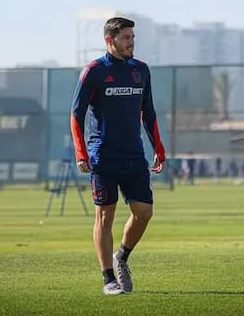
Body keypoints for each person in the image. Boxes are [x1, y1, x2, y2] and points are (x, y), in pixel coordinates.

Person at [70, 16, 166, 296]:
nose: (131, 43)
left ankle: (121, 257)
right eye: (126, 38)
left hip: (134, 155)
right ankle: (108, 279)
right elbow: (76, 115)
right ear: (109, 40)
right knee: (105, 216)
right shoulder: (94, 72)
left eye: (132, 37)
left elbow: (149, 113)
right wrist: (81, 152)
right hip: (103, 156)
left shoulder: (141, 70)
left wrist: (158, 148)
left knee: (144, 212)